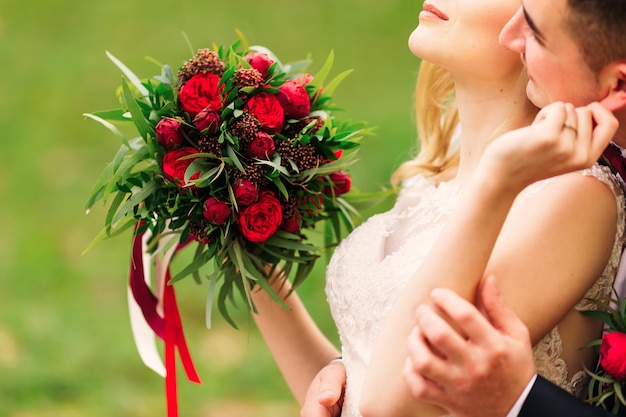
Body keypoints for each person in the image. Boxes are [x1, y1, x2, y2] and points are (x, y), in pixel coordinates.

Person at [251, 0, 626, 416]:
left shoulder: (574, 196)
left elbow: (394, 399)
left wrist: (495, 181)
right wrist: (247, 257)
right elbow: (354, 391)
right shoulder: (430, 177)